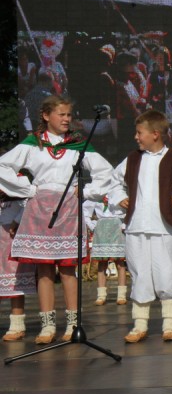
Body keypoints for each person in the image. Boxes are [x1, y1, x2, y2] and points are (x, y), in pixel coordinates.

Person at [0, 95, 114, 343]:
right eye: (61, 114)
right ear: (46, 116)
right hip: (39, 207)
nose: (66, 119)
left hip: (68, 207)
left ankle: (73, 324)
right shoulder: (33, 144)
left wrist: (85, 191)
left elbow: (106, 172)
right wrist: (26, 189)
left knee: (67, 268)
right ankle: (47, 325)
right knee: (43, 268)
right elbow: (2, 165)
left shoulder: (77, 144)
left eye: (68, 115)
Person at [109, 110, 172, 342]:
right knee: (140, 273)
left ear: (155, 134)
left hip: (164, 226)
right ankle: (139, 325)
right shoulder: (132, 158)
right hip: (137, 225)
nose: (136, 137)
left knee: (166, 273)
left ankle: (169, 324)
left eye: (139, 133)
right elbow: (114, 182)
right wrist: (119, 197)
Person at [0, 194, 36, 341]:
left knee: (14, 277)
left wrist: (16, 221)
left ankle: (17, 324)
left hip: (11, 233)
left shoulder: (19, 187)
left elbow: (29, 204)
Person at [84, 196, 128, 306]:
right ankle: (101, 296)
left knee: (120, 262)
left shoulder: (119, 190)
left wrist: (125, 224)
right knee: (102, 263)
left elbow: (130, 208)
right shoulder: (97, 191)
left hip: (117, 225)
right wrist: (92, 224)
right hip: (102, 227)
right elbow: (85, 210)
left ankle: (121, 295)